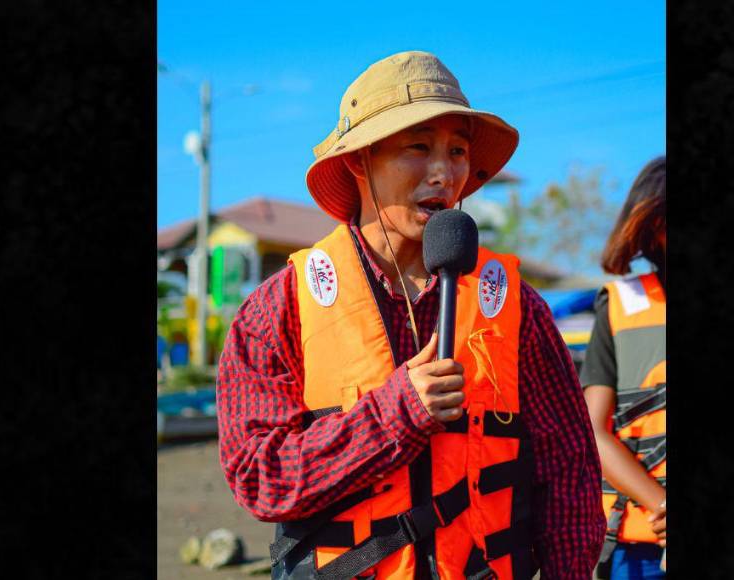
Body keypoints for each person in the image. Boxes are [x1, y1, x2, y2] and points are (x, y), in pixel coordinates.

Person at [216, 51, 605, 579]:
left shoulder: (515, 306)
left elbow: (569, 474)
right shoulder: (279, 307)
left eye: (458, 151)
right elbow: (262, 479)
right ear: (359, 161)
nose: (444, 173)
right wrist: (397, 414)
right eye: (418, 148)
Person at [579, 157, 666, 580]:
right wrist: (661, 504)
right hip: (641, 545)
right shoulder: (620, 305)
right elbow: (592, 432)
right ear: (653, 227)